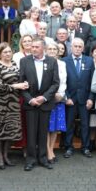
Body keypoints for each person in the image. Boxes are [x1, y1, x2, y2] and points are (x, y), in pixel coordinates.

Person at [19, 38, 60, 171]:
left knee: (43, 133)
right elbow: (21, 83)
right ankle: (31, 159)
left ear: (43, 48)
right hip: (30, 103)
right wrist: (30, 99)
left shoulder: (52, 61)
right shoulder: (24, 61)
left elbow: (55, 83)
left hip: (45, 103)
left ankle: (43, 158)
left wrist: (44, 98)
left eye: (37, 47)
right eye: (32, 46)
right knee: (31, 133)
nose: (33, 49)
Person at [0, 43, 29, 169]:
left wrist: (23, 84)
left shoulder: (14, 64)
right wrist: (15, 86)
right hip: (1, 102)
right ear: (0, 53)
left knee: (11, 130)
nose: (8, 54)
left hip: (14, 102)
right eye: (5, 52)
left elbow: (18, 80)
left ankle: (6, 156)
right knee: (0, 130)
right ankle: (0, 158)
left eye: (9, 52)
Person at [63, 38, 95, 158]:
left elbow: (93, 81)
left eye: (79, 46)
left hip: (85, 99)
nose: (77, 48)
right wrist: (66, 97)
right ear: (71, 47)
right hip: (70, 98)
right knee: (69, 123)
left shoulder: (89, 61)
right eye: (75, 46)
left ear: (83, 48)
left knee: (85, 124)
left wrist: (91, 98)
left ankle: (86, 147)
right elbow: (62, 82)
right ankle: (68, 147)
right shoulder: (64, 61)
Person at [45, 42, 67, 164]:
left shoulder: (62, 64)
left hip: (59, 98)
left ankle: (51, 148)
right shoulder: (43, 62)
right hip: (47, 98)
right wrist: (51, 95)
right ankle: (47, 151)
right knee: (47, 126)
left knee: (55, 127)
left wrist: (61, 94)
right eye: (50, 48)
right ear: (46, 50)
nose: (53, 50)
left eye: (55, 49)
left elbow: (64, 81)